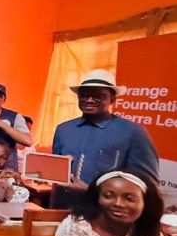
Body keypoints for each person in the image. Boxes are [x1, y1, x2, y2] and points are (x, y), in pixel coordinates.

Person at [52, 70, 159, 208]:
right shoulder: (64, 129)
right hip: (61, 210)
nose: (89, 100)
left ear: (112, 99)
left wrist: (92, 191)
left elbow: (147, 184)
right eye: (84, 94)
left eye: (98, 95)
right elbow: (54, 174)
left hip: (104, 214)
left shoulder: (133, 132)